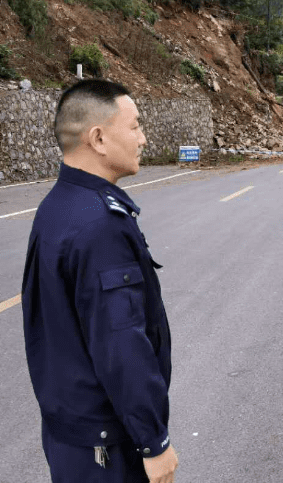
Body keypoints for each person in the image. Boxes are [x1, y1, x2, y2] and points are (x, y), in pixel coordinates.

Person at [22, 79, 178, 483]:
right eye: (135, 126)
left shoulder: (57, 206)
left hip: (71, 437)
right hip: (106, 449)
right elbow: (120, 341)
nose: (143, 137)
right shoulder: (100, 225)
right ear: (99, 139)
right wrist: (154, 441)